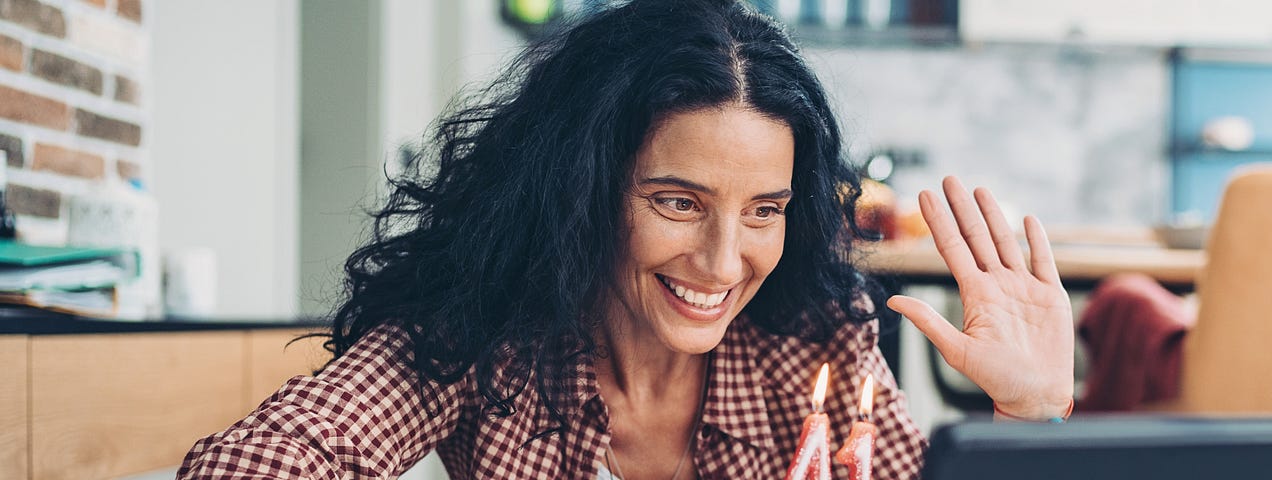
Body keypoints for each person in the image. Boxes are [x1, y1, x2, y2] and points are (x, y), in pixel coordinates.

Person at [179, 0, 1076, 478]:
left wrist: (1030, 422)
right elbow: (251, 464)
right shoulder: (482, 334)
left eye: (764, 209)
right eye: (679, 203)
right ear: (584, 190)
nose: (725, 265)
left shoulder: (816, 340)